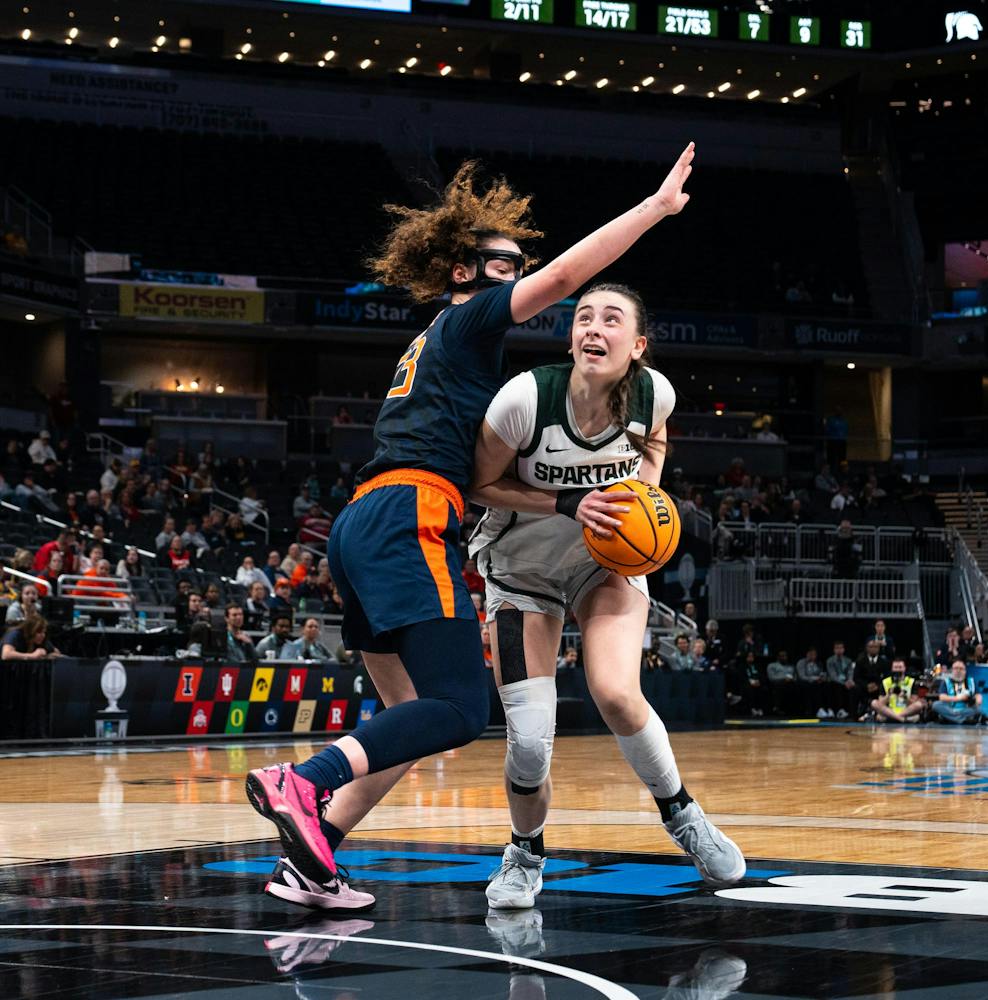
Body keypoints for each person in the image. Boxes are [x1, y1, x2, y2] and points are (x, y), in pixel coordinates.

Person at [246, 146, 702, 911]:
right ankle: (303, 779)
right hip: (410, 514)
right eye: (501, 265)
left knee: (409, 720)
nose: (515, 276)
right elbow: (562, 279)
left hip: (364, 521)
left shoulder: (438, 341)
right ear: (461, 272)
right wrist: (654, 209)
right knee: (460, 710)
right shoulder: (464, 321)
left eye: (514, 265)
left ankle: (312, 855)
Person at [465, 282, 743, 908]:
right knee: (531, 738)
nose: (594, 327)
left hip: (602, 565)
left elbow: (656, 437)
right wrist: (567, 501)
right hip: (519, 569)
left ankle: (683, 816)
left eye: (611, 319)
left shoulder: (654, 394)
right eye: (583, 317)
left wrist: (645, 491)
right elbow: (477, 484)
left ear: (637, 345)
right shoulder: (526, 398)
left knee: (617, 692)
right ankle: (525, 851)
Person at [932, 660, 988, 724]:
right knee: (936, 705)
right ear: (952, 670)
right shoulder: (946, 681)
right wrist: (959, 698)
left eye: (961, 669)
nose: (958, 671)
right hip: (949, 708)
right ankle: (962, 720)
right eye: (956, 668)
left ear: (965, 671)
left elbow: (978, 696)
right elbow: (942, 697)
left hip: (966, 709)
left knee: (978, 710)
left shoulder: (971, 681)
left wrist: (976, 700)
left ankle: (952, 718)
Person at [871, 657, 925, 723]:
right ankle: (901, 719)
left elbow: (914, 703)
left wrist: (905, 697)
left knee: (919, 704)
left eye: (900, 667)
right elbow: (880, 703)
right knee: (874, 703)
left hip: (906, 712)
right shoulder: (885, 682)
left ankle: (895, 717)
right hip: (889, 711)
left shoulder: (911, 681)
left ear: (904, 668)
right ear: (892, 669)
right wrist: (888, 695)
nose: (898, 670)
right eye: (895, 667)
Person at [825, 641, 855, 719]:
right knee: (834, 685)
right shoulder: (830, 661)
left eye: (841, 648)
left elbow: (850, 672)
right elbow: (833, 675)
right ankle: (832, 710)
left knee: (853, 686)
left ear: (843, 649)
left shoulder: (848, 660)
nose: (839, 650)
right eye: (837, 648)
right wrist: (844, 683)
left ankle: (847, 711)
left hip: (846, 682)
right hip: (834, 682)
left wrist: (850, 680)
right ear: (834, 650)